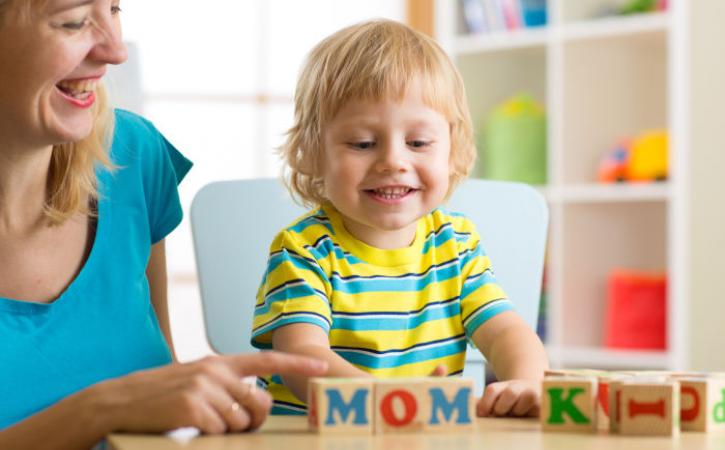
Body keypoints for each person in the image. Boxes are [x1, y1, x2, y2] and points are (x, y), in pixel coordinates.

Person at [0, 1, 327, 448]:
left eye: (115, 8)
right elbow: (125, 400)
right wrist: (102, 409)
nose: (117, 51)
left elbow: (160, 379)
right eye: (73, 21)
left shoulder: (133, 157)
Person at [251, 19, 549, 417]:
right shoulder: (302, 251)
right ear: (311, 153)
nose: (393, 161)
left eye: (418, 143)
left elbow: (506, 331)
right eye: (362, 143)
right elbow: (302, 358)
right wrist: (391, 403)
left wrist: (526, 381)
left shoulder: (455, 243)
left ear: (452, 149)